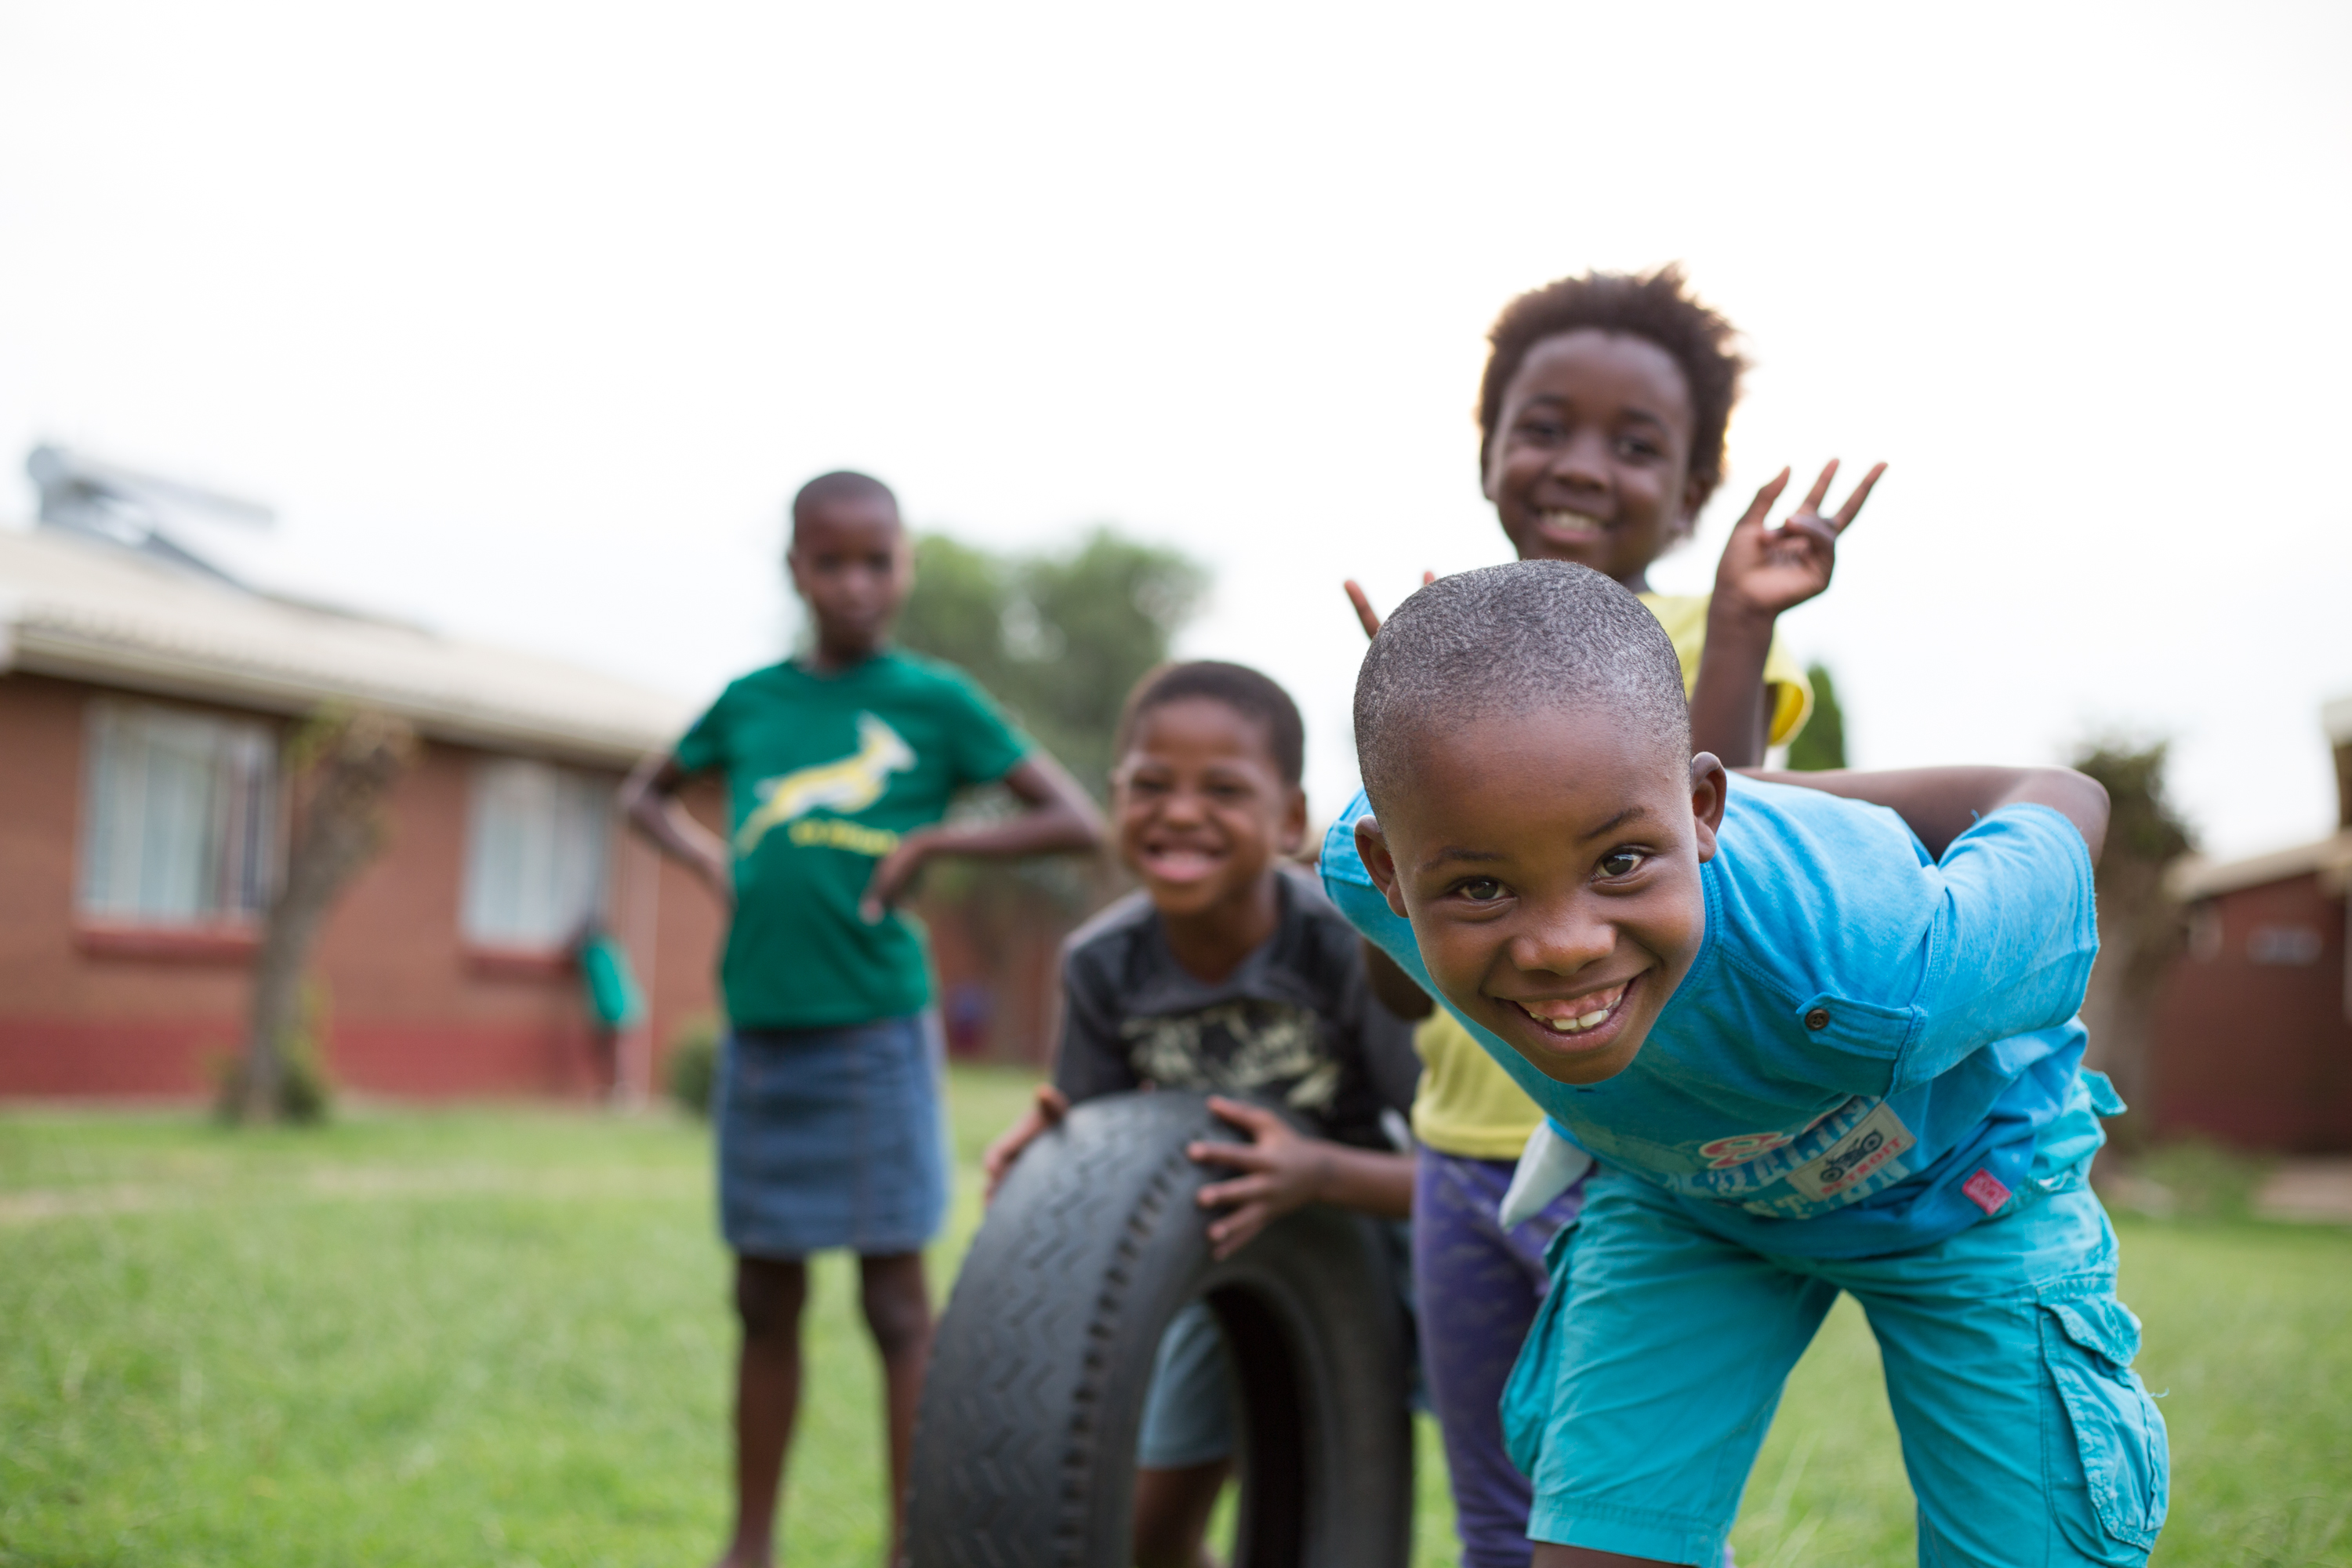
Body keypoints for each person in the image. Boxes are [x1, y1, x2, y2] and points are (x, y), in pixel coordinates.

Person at [1327, 561, 2165, 1567]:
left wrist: (1789, 795)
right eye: (1480, 887)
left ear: (1705, 809)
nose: (1563, 945)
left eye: (1622, 860)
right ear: (1389, 874)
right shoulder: (1368, 877)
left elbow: (2062, 796)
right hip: (1693, 1201)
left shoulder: (1892, 962)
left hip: (1970, 1188)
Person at [1342, 264, 1882, 1568]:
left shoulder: (1700, 639)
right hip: (1463, 1159)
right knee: (1490, 1510)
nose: (1582, 464)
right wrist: (1397, 761)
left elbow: (1734, 849)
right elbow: (1403, 985)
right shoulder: (1432, 672)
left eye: (1635, 445)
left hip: (1638, 1166)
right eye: (1543, 427)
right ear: (1488, 454)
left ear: (1694, 491)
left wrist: (1748, 625)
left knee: (1624, 1514)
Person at [622, 470, 1105, 1568]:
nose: (852, 583)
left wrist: (936, 843)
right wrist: (708, 862)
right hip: (764, 1032)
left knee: (896, 1305)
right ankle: (749, 1544)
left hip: (875, 1033)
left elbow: (1072, 819)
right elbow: (642, 792)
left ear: (904, 567)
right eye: (828, 561)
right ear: (796, 568)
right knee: (763, 1297)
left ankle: (912, 1544)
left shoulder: (935, 702)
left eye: (874, 561)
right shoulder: (750, 701)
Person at [982, 660, 1421, 1568]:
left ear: (1290, 819)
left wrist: (1320, 1172)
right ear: (1113, 801)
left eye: (1224, 789)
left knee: (1365, 1490)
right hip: (1208, 1241)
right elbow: (1096, 1164)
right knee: (1152, 1528)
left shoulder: (1347, 948)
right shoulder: (1102, 963)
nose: (1180, 811)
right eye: (1150, 786)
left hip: (1368, 1240)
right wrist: (1046, 1167)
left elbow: (1454, 1170)